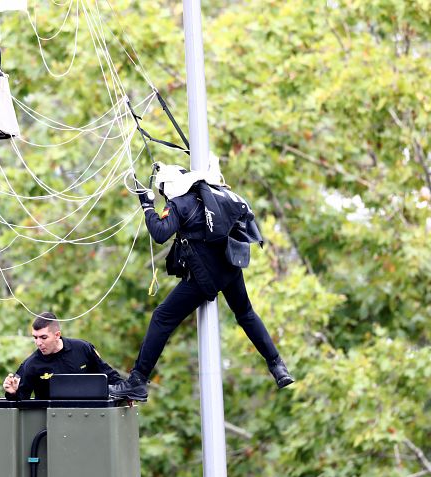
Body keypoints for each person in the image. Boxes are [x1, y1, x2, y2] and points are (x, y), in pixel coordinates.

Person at [109, 164, 294, 402]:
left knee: (162, 317)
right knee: (245, 313)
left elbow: (160, 232)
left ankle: (137, 381)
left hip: (204, 277)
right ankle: (277, 366)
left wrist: (147, 205)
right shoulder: (212, 193)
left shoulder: (179, 203)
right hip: (230, 266)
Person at [3, 312, 124, 400]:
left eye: (43, 337)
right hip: (50, 423)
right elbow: (22, 400)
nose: (39, 343)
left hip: (88, 415)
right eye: (35, 337)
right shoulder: (31, 364)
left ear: (57, 335)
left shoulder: (82, 348)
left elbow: (109, 375)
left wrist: (125, 393)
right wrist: (12, 393)